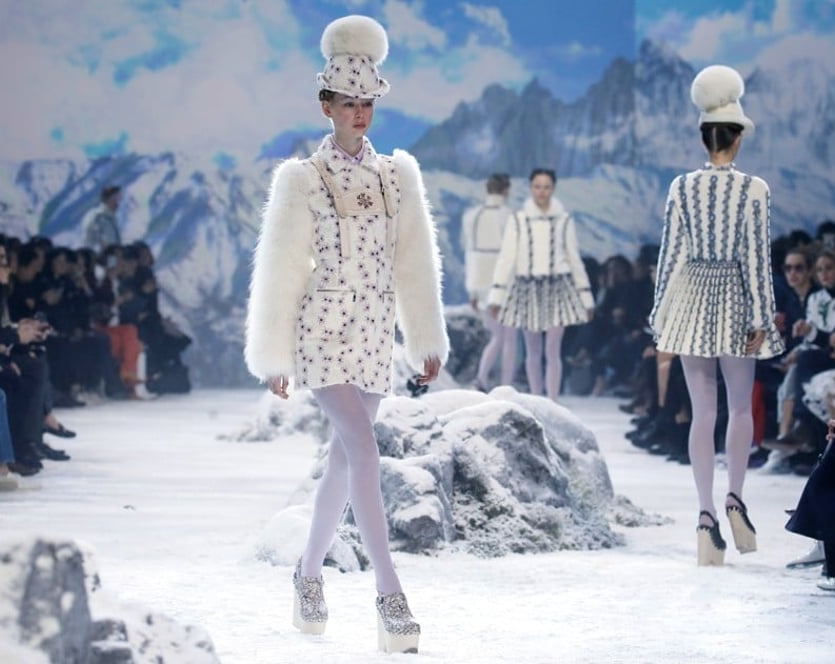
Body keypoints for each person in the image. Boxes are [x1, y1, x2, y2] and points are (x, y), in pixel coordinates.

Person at [243, 15, 448, 655]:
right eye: (348, 102)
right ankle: (390, 594)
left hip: (374, 330)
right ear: (325, 105)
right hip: (323, 329)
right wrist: (273, 353)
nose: (359, 113)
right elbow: (282, 268)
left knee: (343, 458)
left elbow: (414, 262)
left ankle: (307, 575)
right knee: (362, 449)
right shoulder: (301, 178)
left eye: (368, 103)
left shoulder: (397, 176)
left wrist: (424, 336)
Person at [648, 65, 784, 566]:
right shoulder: (755, 189)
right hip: (736, 300)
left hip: (691, 301)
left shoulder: (681, 187)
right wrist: (762, 316)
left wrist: (660, 314)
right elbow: (756, 259)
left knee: (702, 412)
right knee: (740, 408)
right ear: (738, 136)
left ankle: (705, 517)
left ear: (704, 136)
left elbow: (670, 256)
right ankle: (735, 499)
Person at [487, 168, 594, 400]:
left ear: (553, 189)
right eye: (537, 186)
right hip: (528, 288)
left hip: (558, 287)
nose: (541, 191)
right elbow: (507, 258)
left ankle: (552, 401)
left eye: (546, 187)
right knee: (533, 351)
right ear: (530, 188)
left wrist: (586, 298)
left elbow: (573, 258)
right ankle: (537, 400)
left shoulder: (564, 220)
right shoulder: (519, 220)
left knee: (553, 351)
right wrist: (497, 296)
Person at [462, 173, 517, 391]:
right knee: (509, 337)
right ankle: (506, 384)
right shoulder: (508, 215)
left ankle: (482, 378)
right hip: (504, 280)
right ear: (506, 190)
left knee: (497, 336)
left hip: (480, 281)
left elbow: (470, 253)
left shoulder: (472, 216)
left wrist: (473, 292)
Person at [85, 185, 122, 252]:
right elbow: (92, 244)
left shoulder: (111, 219)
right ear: (108, 199)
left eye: (119, 198)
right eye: (116, 199)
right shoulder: (97, 218)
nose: (118, 203)